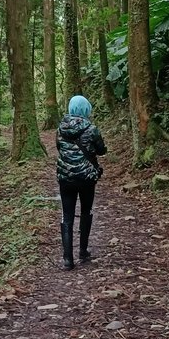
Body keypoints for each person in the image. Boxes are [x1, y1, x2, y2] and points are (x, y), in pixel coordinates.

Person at [56, 95, 107, 270]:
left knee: (66, 215)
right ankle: (83, 251)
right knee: (86, 211)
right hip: (86, 178)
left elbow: (59, 148)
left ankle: (67, 259)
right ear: (86, 109)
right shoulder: (92, 129)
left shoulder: (60, 129)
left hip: (66, 178)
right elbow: (101, 150)